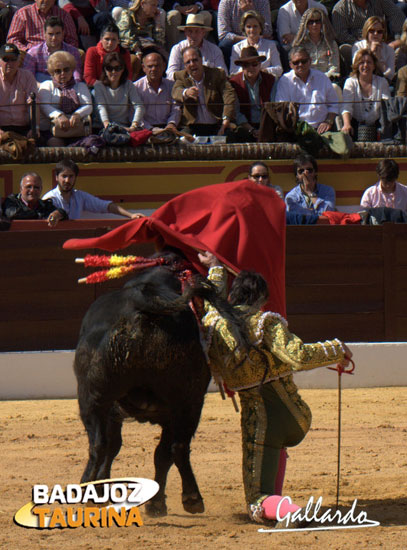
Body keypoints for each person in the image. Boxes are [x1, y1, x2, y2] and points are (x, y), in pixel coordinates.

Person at [198, 250, 352, 523]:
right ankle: (281, 503)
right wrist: (336, 349)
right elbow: (299, 356)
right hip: (294, 415)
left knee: (256, 502)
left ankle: (289, 510)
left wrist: (215, 268)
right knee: (274, 453)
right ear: (261, 300)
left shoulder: (213, 323)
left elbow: (212, 302)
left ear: (234, 296)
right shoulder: (264, 322)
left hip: (260, 423)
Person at [43, 159, 144, 219]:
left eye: (71, 176)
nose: (67, 180)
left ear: (75, 177)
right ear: (56, 177)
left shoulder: (79, 196)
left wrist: (131, 215)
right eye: (64, 176)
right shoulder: (50, 198)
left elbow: (106, 206)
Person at [172, 45, 236, 136]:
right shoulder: (181, 76)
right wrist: (185, 92)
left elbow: (229, 94)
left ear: (201, 59)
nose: (192, 64)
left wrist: (226, 119)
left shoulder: (217, 74)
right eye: (188, 62)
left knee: (229, 137)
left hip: (217, 124)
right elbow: (175, 91)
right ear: (184, 65)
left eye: (195, 60)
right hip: (192, 126)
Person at [275, 46, 338, 134]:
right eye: (296, 62)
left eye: (304, 61)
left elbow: (334, 105)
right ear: (290, 64)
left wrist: (328, 122)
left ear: (310, 61)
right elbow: (282, 108)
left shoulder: (322, 78)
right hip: (296, 130)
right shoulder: (285, 80)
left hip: (322, 129)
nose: (300, 64)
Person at [38, 51, 92, 146]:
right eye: (58, 71)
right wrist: (59, 115)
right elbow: (44, 106)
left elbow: (88, 106)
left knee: (91, 143)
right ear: (52, 73)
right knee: (56, 145)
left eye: (66, 70)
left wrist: (77, 115)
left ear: (72, 70)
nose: (62, 73)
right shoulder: (47, 85)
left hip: (77, 130)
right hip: (52, 131)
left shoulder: (80, 86)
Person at [341, 49, 390, 139]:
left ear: (374, 66)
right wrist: (347, 124)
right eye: (362, 62)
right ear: (357, 65)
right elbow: (346, 106)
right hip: (355, 126)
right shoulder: (350, 82)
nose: (365, 65)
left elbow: (386, 107)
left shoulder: (382, 82)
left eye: (369, 62)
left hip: (378, 126)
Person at [229, 47, 275, 142]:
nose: (251, 68)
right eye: (246, 65)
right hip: (244, 126)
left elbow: (273, 107)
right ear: (242, 67)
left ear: (260, 64)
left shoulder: (271, 80)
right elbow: (236, 112)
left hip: (267, 124)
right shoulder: (234, 83)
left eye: (254, 64)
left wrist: (264, 129)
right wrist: (251, 129)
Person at [166, 13, 227, 80]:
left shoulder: (214, 50)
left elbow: (223, 74)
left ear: (203, 32)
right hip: (184, 87)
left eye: (197, 31)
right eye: (190, 31)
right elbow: (170, 75)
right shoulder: (177, 49)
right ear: (185, 32)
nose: (193, 35)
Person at [23, 16, 82, 83]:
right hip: (42, 89)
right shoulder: (33, 53)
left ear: (63, 33)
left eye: (57, 33)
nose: (54, 38)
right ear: (44, 34)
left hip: (67, 86)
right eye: (50, 34)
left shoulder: (73, 52)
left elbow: (76, 74)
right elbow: (29, 78)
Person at [94, 51, 144, 131]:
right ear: (105, 70)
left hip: (126, 127)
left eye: (117, 68)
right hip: (104, 128)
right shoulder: (98, 86)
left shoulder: (129, 84)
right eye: (110, 68)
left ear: (123, 69)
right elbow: (101, 107)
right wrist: (107, 126)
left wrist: (133, 126)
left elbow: (139, 106)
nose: (114, 72)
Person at [134, 51, 181, 130]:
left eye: (157, 66)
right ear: (143, 68)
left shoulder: (171, 85)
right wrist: (151, 129)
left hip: (168, 128)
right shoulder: (136, 87)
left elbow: (176, 108)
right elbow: (134, 114)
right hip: (145, 129)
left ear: (164, 66)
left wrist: (171, 124)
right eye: (150, 66)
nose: (153, 69)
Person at [7, 0, 78, 52]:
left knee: (80, 53)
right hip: (31, 56)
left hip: (58, 54)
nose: (45, 1)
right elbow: (12, 40)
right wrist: (26, 51)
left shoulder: (63, 15)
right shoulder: (23, 14)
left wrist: (62, 52)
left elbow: (72, 40)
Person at [217, 0, 272, 65]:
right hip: (236, 41)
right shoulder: (226, 2)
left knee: (275, 45)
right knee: (224, 44)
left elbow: (268, 31)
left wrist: (252, 12)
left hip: (258, 41)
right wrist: (248, 40)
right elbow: (223, 34)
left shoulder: (262, 2)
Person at [332, 0, 404, 49]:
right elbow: (341, 35)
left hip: (381, 42)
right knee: (344, 49)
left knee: (400, 48)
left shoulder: (379, 1)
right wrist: (364, 45)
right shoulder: (340, 8)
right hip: (356, 47)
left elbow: (396, 15)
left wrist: (396, 40)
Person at [0, 43, 38, 136]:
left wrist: (34, 128)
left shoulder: (27, 76)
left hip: (23, 129)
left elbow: (33, 104)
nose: (10, 63)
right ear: (0, 61)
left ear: (18, 61)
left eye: (13, 59)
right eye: (6, 59)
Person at [2, 172, 66, 227]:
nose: (32, 190)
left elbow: (63, 214)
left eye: (36, 187)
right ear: (21, 189)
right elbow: (13, 214)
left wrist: (58, 214)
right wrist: (38, 214)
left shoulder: (45, 205)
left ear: (41, 189)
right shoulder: (11, 201)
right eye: (29, 187)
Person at [230, 10, 282, 77]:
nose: (252, 30)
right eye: (248, 26)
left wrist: (263, 71)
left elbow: (279, 69)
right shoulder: (236, 47)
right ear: (244, 29)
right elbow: (233, 71)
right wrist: (249, 70)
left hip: (266, 81)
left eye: (255, 26)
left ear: (260, 28)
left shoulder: (270, 45)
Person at [291, 7, 339, 79]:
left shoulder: (331, 43)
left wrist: (322, 78)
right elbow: (298, 68)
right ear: (306, 25)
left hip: (327, 80)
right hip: (306, 79)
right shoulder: (300, 45)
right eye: (311, 22)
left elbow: (334, 67)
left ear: (322, 23)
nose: (314, 25)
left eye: (317, 21)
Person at [84, 22, 133, 86]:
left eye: (114, 40)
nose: (110, 43)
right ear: (101, 39)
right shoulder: (92, 51)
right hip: (97, 87)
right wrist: (104, 89)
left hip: (119, 88)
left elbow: (128, 77)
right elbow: (89, 77)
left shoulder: (124, 53)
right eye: (107, 39)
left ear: (118, 41)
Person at [352, 16, 395, 82]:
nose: (376, 34)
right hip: (361, 81)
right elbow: (355, 69)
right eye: (372, 31)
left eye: (379, 31)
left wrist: (379, 59)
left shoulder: (389, 50)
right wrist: (370, 53)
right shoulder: (358, 46)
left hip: (382, 83)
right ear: (366, 31)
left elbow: (390, 76)